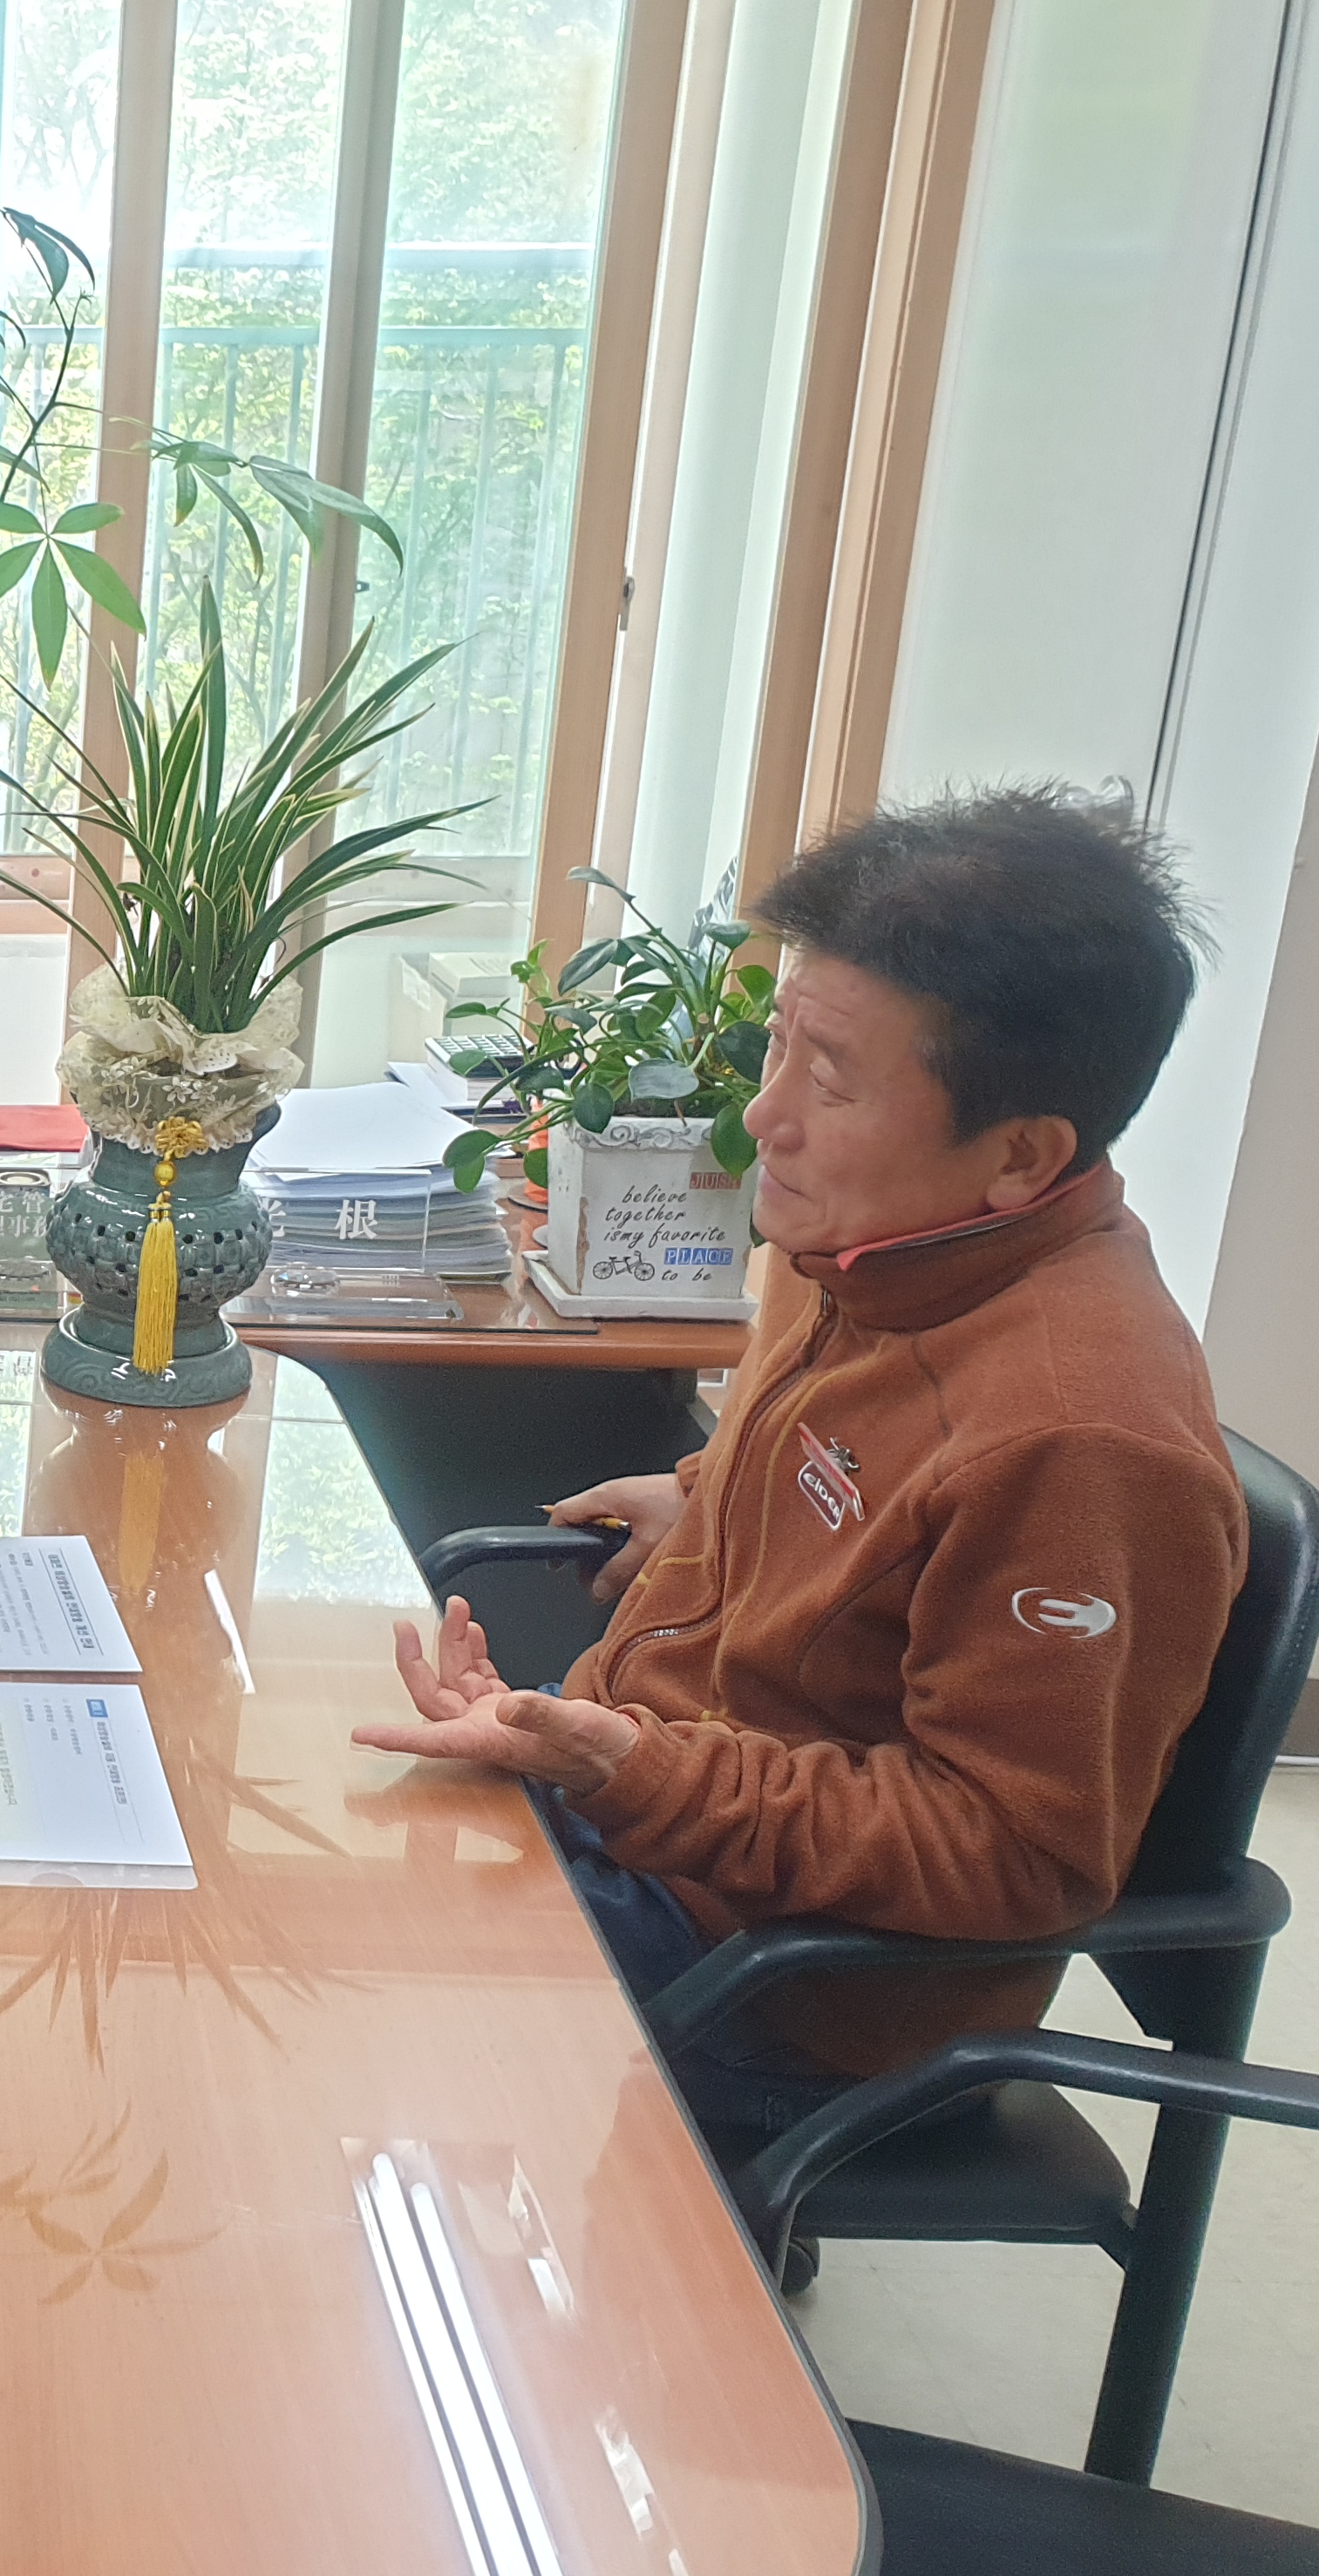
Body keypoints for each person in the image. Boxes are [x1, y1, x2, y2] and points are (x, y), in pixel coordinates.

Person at [357, 787, 1245, 2135]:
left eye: (829, 1081)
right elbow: (875, 1477)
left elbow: (1014, 1854)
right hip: (662, 1832)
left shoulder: (1083, 1440)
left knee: (318, 1989)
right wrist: (715, 1498)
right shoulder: (894, 1247)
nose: (763, 1117)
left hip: (778, 1992)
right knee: (284, 1836)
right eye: (778, 1045)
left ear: (1021, 1156)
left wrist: (636, 1772)